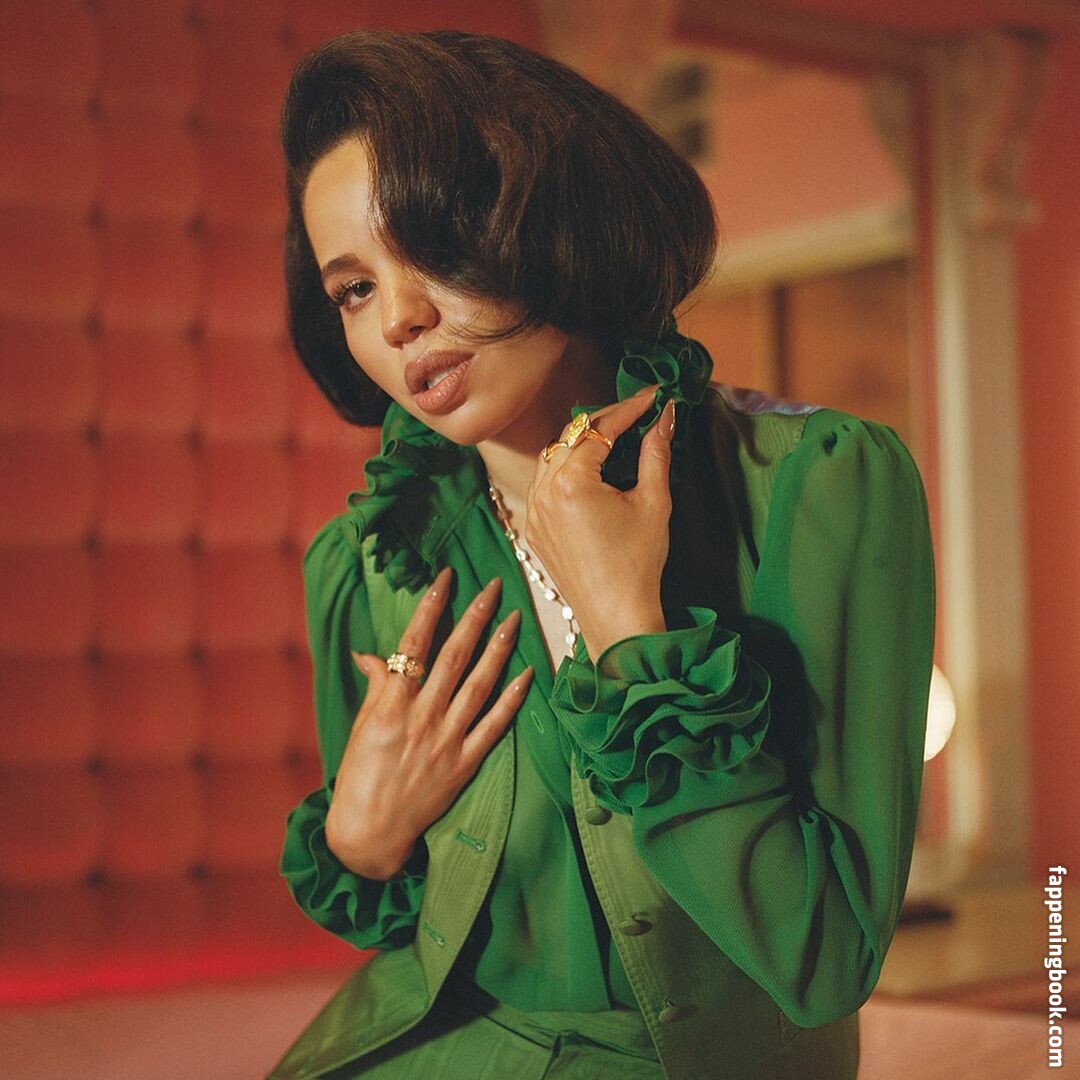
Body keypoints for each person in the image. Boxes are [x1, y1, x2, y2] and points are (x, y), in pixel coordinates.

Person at [269, 26, 935, 1080]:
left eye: (433, 242)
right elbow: (404, 928)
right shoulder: (371, 563)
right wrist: (359, 841)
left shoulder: (820, 490)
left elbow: (823, 958)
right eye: (353, 288)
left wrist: (632, 630)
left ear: (555, 217)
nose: (398, 318)